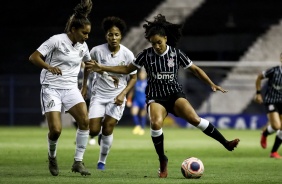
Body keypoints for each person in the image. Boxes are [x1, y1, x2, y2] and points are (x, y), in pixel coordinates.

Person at [85, 14, 240, 178]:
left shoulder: (176, 53)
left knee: (195, 119)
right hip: (156, 97)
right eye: (153, 43)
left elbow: (195, 69)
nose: (157, 46)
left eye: (159, 42)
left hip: (174, 94)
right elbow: (126, 70)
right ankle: (162, 160)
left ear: (165, 38)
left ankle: (226, 143)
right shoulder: (145, 55)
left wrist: (211, 83)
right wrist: (102, 67)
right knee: (156, 122)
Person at [28, 0, 93, 176]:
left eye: (88, 34)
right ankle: (52, 156)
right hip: (51, 88)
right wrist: (48, 67)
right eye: (84, 33)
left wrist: (84, 85)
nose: (86, 37)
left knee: (85, 121)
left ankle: (78, 162)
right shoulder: (56, 40)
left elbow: (88, 64)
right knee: (56, 130)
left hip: (71, 88)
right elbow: (33, 57)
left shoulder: (83, 45)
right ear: (73, 29)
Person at [81, 16, 137, 170]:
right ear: (106, 35)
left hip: (116, 97)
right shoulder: (97, 51)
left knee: (107, 128)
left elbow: (133, 77)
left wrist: (123, 94)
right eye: (110, 34)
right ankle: (97, 135)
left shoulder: (127, 54)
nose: (113, 38)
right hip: (98, 96)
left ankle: (102, 161)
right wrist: (84, 86)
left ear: (121, 36)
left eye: (117, 34)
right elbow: (87, 67)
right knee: (92, 130)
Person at [255, 52, 282, 158]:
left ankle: (274, 152)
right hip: (272, 101)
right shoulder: (274, 70)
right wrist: (258, 93)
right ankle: (265, 133)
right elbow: (259, 77)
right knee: (276, 126)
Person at [73, 62, 96, 145]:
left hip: (89, 97)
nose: (82, 62)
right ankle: (81, 136)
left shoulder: (92, 72)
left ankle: (91, 137)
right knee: (75, 119)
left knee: (89, 118)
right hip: (78, 97)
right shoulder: (76, 72)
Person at [126, 68, 148, 135]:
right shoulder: (136, 82)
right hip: (136, 101)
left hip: (144, 101)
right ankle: (138, 126)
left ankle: (142, 128)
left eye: (143, 74)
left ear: (146, 75)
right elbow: (132, 92)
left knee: (143, 114)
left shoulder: (148, 83)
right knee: (133, 112)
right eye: (141, 73)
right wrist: (129, 100)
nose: (141, 75)